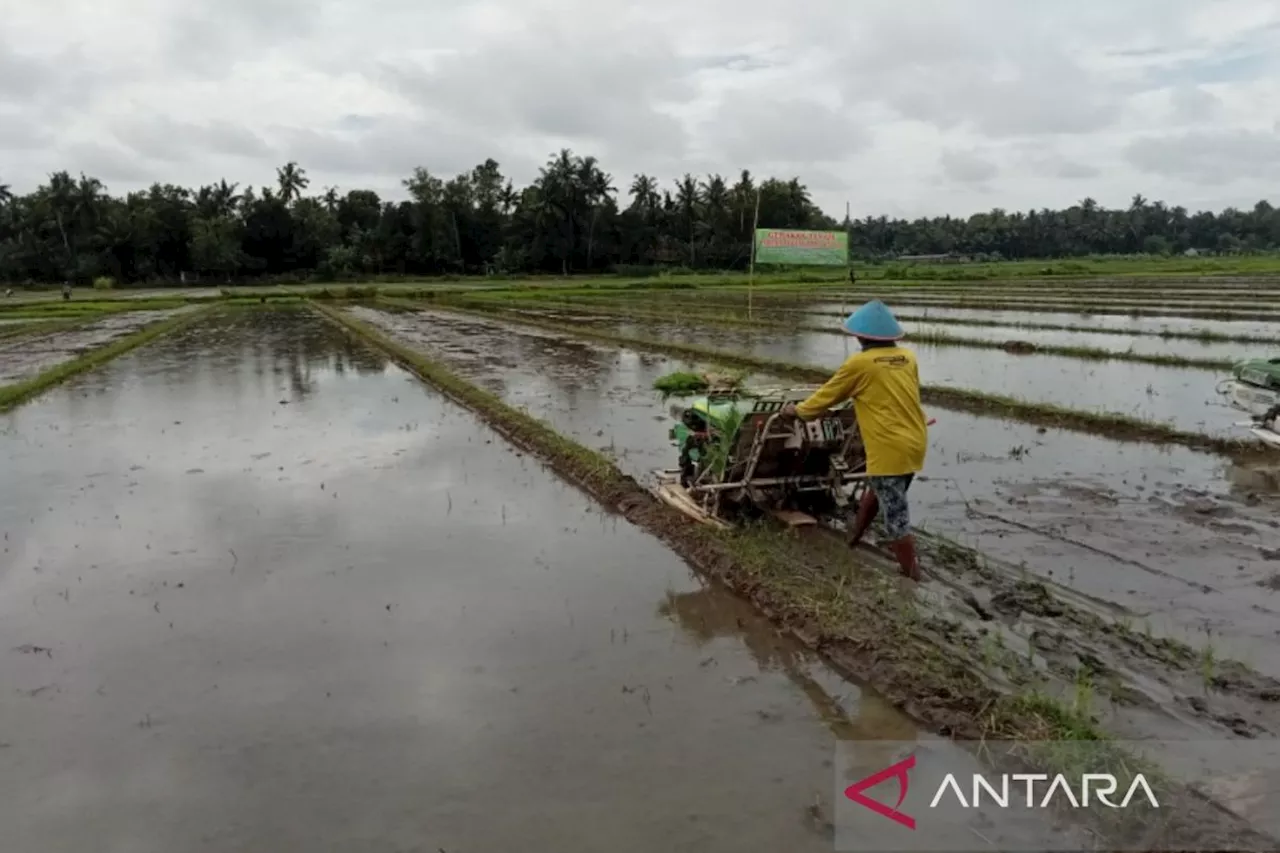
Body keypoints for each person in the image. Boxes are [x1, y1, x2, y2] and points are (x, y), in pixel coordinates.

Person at [781, 299, 927, 581]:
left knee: (896, 516)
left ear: (861, 335)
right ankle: (854, 538)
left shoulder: (860, 363)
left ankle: (913, 577)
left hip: (889, 447)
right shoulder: (907, 357)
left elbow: (828, 395)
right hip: (915, 440)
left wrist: (797, 411)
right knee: (880, 490)